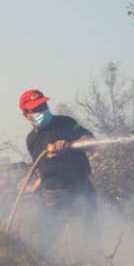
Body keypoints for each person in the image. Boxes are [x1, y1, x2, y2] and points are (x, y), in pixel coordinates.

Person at [18, 89, 97, 253]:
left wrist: (69, 142)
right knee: (42, 239)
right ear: (26, 115)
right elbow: (42, 168)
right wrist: (34, 187)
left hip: (80, 187)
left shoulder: (65, 123)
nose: (42, 111)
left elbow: (91, 141)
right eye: (36, 109)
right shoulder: (31, 140)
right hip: (52, 194)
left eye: (44, 106)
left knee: (91, 234)